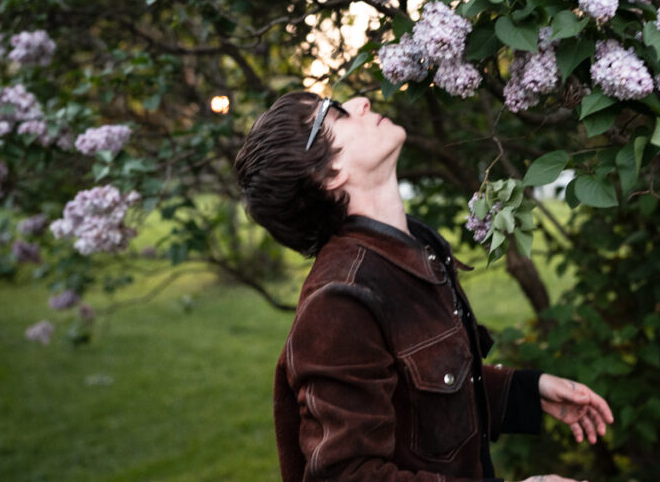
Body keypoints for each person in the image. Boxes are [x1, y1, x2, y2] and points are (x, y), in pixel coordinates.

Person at [235, 91, 613, 482]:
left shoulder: (413, 247)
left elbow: (419, 394)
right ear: (330, 174)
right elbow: (348, 474)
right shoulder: (341, 299)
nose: (362, 101)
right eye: (336, 112)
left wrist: (526, 392)